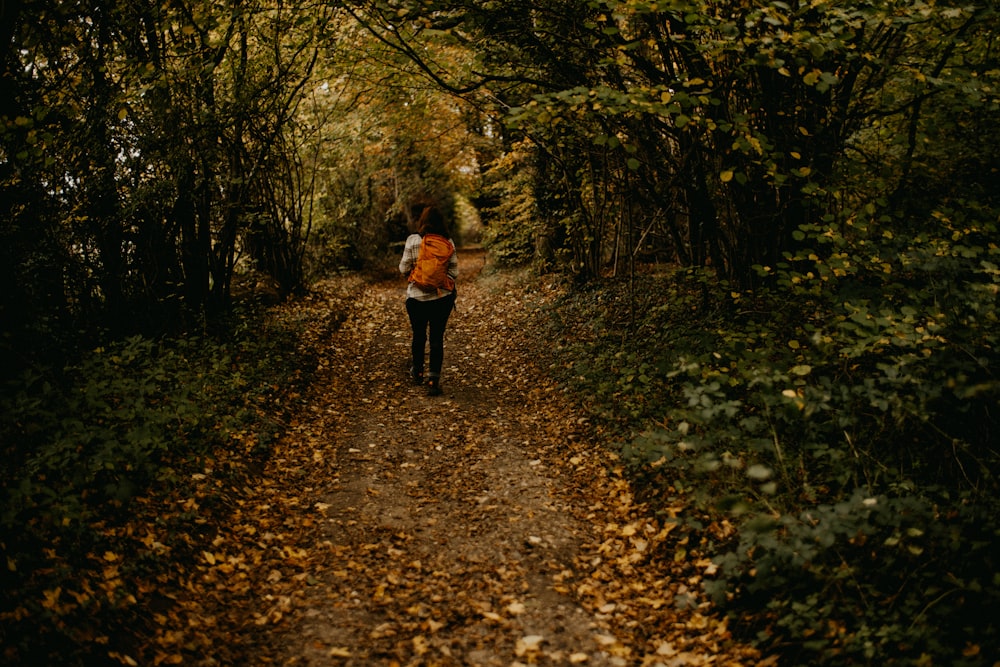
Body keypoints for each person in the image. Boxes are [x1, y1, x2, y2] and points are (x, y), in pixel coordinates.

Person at [399, 205, 458, 396]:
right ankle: (433, 380)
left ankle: (417, 372)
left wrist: (417, 276)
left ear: (421, 221)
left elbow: (403, 268)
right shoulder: (448, 242)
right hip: (441, 299)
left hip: (416, 298)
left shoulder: (413, 240)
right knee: (436, 338)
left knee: (418, 335)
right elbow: (454, 273)